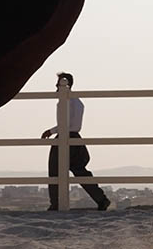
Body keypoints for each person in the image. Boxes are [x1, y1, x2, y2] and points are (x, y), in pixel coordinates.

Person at [40, 72, 109, 211]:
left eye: (58, 83)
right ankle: (101, 199)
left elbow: (66, 124)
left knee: (55, 170)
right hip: (75, 137)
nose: (56, 86)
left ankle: (56, 204)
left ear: (66, 84)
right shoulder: (77, 101)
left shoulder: (67, 101)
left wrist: (51, 131)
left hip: (65, 137)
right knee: (80, 170)